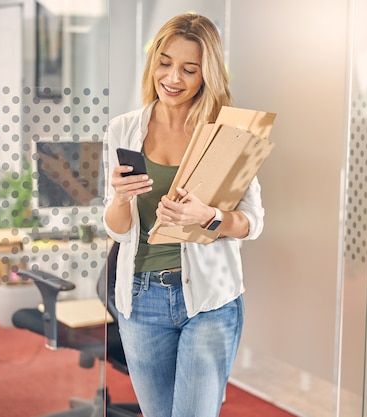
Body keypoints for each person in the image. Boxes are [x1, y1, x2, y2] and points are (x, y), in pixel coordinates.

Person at [102, 13, 265, 417]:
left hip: (210, 300)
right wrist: (121, 199)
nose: (173, 78)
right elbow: (117, 230)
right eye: (165, 63)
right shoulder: (122, 130)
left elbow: (252, 223)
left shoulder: (227, 134)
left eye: (189, 69)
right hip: (140, 298)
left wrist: (208, 215)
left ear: (206, 73)